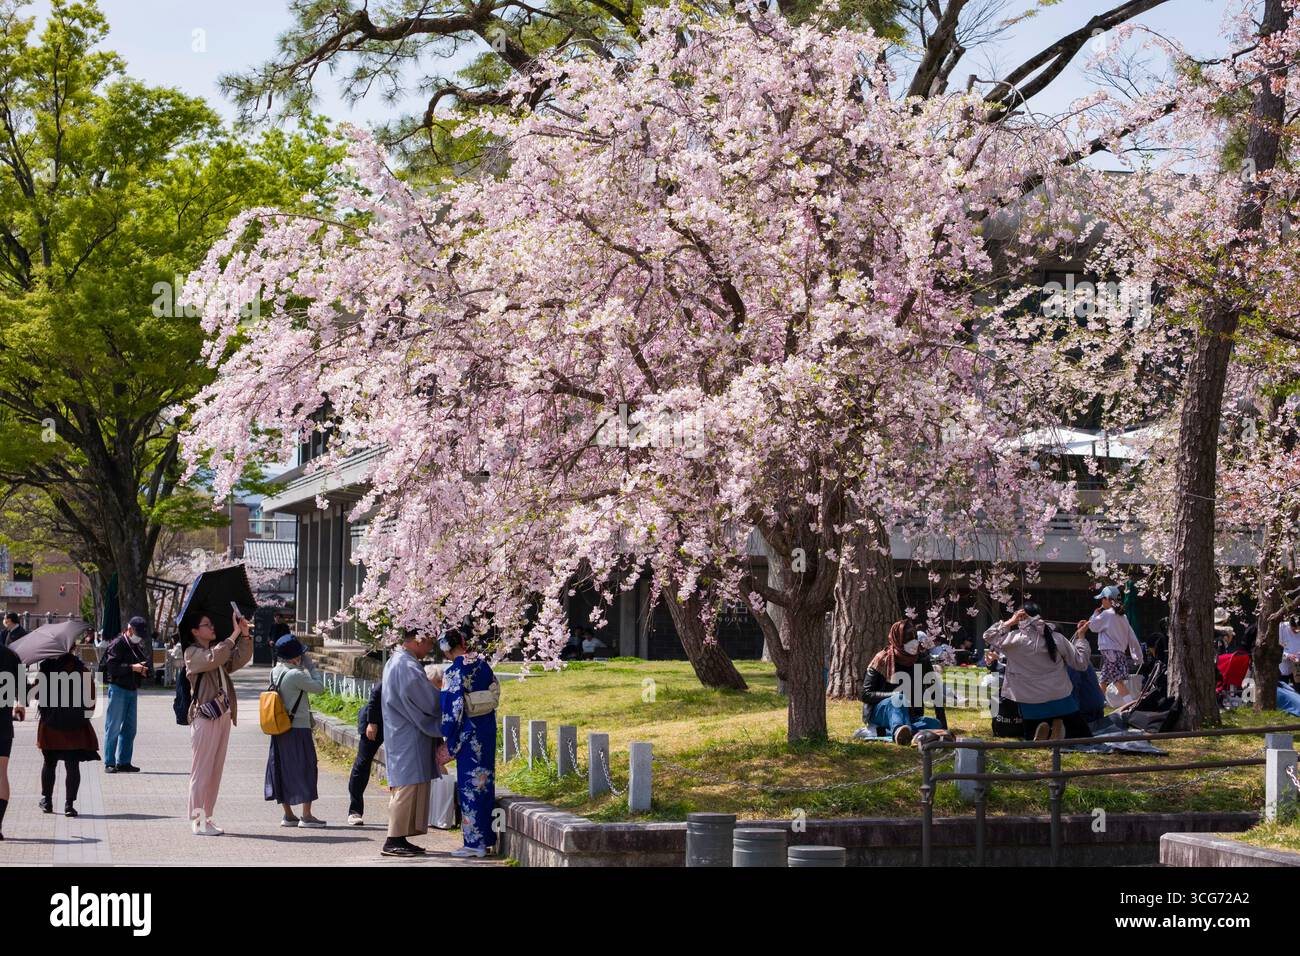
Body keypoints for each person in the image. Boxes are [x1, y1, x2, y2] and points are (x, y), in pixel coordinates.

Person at [183, 610, 253, 836]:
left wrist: (244, 635)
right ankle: (197, 820)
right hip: (204, 717)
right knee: (201, 771)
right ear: (195, 631)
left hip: (222, 715)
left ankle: (208, 817)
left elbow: (238, 658)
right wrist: (233, 634)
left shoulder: (215, 653)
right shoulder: (192, 653)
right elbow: (215, 657)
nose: (212, 627)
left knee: (214, 771)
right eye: (207, 625)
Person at [984, 602, 1092, 741]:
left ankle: (1046, 733)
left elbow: (988, 636)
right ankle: (1057, 730)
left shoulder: (1013, 640)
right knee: (1082, 737)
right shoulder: (1056, 638)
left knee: (1031, 735)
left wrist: (1010, 621)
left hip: (1027, 698)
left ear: (1019, 617)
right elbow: (1081, 663)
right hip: (1059, 696)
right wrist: (1081, 637)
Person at [380, 628, 443, 857]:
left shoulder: (398, 661)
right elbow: (426, 699)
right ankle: (393, 838)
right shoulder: (405, 665)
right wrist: (446, 697)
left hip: (402, 729)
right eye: (428, 642)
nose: (430, 648)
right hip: (408, 732)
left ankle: (400, 836)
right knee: (406, 785)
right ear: (417, 640)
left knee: (407, 783)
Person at [440, 626, 498, 858]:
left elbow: (451, 710)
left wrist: (447, 736)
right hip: (485, 730)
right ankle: (487, 839)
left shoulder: (453, 671)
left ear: (446, 648)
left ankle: (474, 843)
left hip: (467, 734)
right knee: (485, 784)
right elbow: (495, 689)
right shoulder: (483, 664)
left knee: (469, 788)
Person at [265, 635, 326, 827]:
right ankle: (306, 816)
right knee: (306, 767)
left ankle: (288, 815)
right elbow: (319, 688)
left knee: (282, 768)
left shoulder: (274, 672)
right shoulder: (296, 675)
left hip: (279, 727)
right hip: (298, 728)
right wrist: (311, 667)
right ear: (294, 657)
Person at [32, 648, 99, 817]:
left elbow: (36, 694)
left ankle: (47, 801)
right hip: (75, 726)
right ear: (72, 650)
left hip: (50, 726)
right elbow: (91, 699)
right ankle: (69, 805)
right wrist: (83, 717)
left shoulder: (46, 670)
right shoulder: (81, 670)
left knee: (49, 764)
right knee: (72, 766)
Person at [861, 620, 950, 745]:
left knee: (935, 724)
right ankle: (898, 730)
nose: (913, 642)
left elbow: (934, 692)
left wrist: (944, 728)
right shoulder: (882, 659)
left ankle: (893, 732)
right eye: (908, 638)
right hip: (883, 711)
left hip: (909, 714)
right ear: (898, 640)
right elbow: (865, 694)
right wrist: (893, 696)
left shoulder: (922, 660)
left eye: (914, 637)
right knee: (898, 697)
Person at [101, 615, 152, 773]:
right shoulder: (117, 644)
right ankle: (109, 762)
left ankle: (124, 761)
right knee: (114, 726)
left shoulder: (137, 646)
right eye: (137, 634)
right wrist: (132, 668)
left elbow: (143, 663)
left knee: (130, 728)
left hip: (132, 689)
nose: (139, 638)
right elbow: (112, 668)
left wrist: (143, 670)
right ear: (129, 630)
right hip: (118, 688)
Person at [1088, 585, 1143, 702]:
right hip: (1117, 653)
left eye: (1102, 598)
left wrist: (1095, 615)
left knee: (1118, 682)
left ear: (1108, 599)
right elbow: (1132, 636)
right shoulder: (1122, 616)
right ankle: (1097, 704)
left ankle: (1130, 705)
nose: (1101, 601)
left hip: (1110, 653)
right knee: (1103, 681)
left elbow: (1093, 626)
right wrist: (1138, 655)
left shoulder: (1107, 614)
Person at [347, 680, 384, 826]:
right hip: (374, 720)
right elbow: (376, 693)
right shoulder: (396, 665)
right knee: (363, 763)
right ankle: (354, 810)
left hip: (395, 723)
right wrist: (372, 722)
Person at [425, 664, 457, 830]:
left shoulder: (442, 694)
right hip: (439, 737)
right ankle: (435, 812)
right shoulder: (433, 693)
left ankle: (437, 812)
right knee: (436, 765)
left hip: (447, 739)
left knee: (436, 764)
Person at [0, 638, 25, 839]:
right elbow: (22, 689)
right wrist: (19, 705)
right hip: (3, 724)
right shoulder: (11, 656)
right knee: (1, 773)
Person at [1279, 614, 1300, 687]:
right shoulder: (1281, 628)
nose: (1297, 631)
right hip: (1281, 668)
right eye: (1294, 629)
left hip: (1296, 667)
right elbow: (1275, 650)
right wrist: (1287, 656)